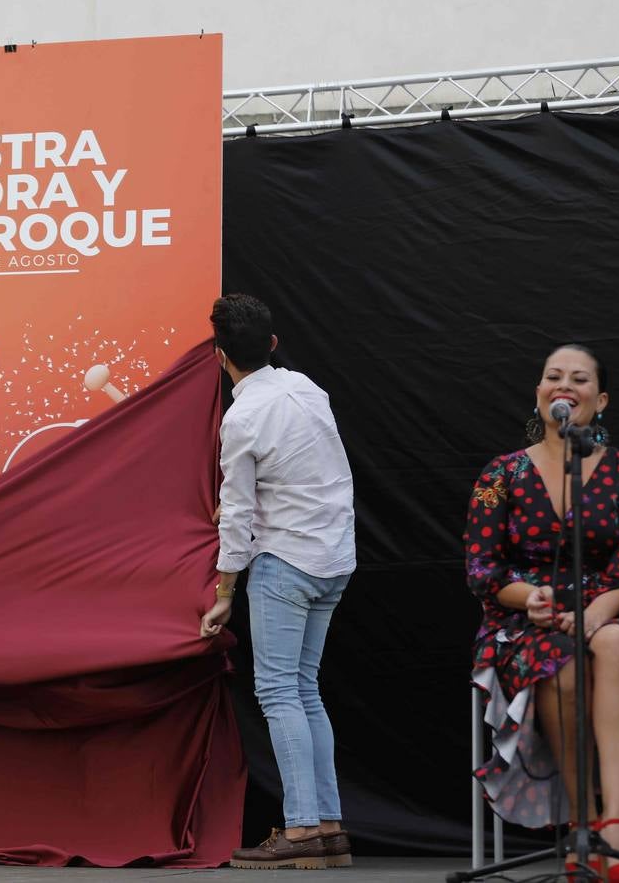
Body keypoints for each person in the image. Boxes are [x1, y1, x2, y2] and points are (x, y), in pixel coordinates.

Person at [466, 344, 619, 882]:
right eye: (554, 376)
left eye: (579, 379)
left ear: (601, 400)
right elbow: (481, 566)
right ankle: (581, 824)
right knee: (560, 663)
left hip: (611, 608)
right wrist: (529, 598)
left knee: (616, 642)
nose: (565, 385)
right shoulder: (502, 473)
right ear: (540, 393)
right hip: (527, 621)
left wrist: (597, 611)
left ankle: (618, 826)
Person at [199, 293, 357, 871]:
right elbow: (310, 475)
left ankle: (301, 830)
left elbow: (238, 514)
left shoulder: (241, 419)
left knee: (278, 692)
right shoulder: (308, 389)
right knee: (304, 689)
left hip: (286, 563)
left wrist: (223, 593)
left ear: (219, 356)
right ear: (271, 343)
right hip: (334, 559)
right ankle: (328, 828)